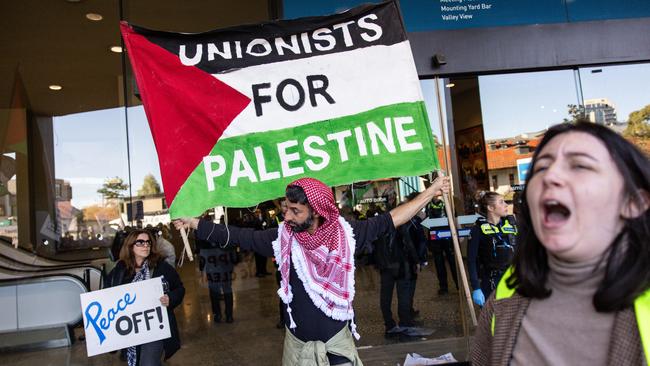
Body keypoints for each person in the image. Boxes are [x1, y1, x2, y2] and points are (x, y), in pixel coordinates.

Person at [175, 176, 449, 365]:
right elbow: (236, 236)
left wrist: (430, 192)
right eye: (286, 209)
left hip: (338, 346)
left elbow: (392, 219)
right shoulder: (282, 239)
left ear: (317, 212)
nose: (288, 217)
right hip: (298, 350)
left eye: (295, 211)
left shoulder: (347, 234)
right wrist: (195, 223)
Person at [471, 121, 650, 365]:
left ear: (634, 202)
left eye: (580, 166)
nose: (551, 176)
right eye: (542, 167)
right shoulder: (507, 293)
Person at [105, 229, 185, 366]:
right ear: (130, 245)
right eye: (140, 242)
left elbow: (179, 288)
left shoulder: (161, 267)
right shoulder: (119, 270)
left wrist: (170, 298)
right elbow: (106, 296)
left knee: (149, 362)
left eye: (148, 242)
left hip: (156, 329)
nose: (146, 245)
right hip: (130, 330)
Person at [467, 191, 518, 307]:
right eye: (501, 202)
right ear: (490, 207)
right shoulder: (477, 230)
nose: (506, 205)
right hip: (491, 283)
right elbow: (471, 261)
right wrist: (476, 287)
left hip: (513, 281)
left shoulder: (512, 226)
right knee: (493, 321)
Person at [426, 197, 459, 295]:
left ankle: (458, 285)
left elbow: (455, 217)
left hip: (448, 235)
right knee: (439, 263)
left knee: (452, 262)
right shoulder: (427, 204)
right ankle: (443, 287)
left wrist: (458, 232)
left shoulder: (447, 202)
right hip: (434, 237)